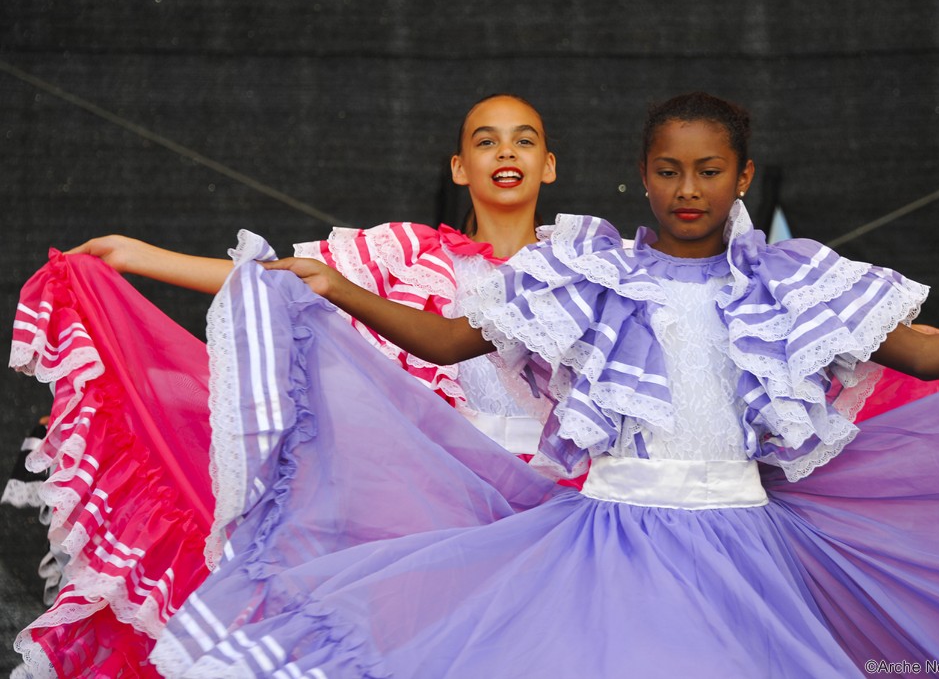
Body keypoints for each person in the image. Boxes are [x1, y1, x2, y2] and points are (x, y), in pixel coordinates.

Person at [150, 91, 939, 677]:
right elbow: (450, 340)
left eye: (710, 170)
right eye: (670, 170)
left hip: (745, 542)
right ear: (643, 175)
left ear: (743, 177)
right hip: (614, 539)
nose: (688, 189)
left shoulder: (787, 280)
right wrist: (343, 288)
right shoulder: (593, 273)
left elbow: (922, 354)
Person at [8, 94, 562, 678]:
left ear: (549, 165)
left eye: (524, 140)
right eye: (486, 141)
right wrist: (139, 255)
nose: (506, 152)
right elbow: (280, 282)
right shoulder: (409, 253)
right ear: (459, 168)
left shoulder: (588, 267)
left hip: (548, 506)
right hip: (431, 508)